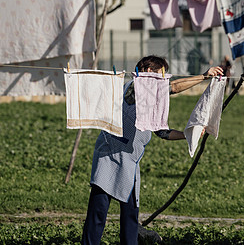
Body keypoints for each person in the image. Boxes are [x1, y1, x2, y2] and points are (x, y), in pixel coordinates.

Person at [82, 55, 223, 245]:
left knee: (130, 214)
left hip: (130, 164)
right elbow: (172, 87)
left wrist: (187, 135)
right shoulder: (132, 88)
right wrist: (204, 76)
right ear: (149, 73)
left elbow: (162, 132)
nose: (164, 80)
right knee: (98, 212)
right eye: (161, 75)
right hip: (109, 156)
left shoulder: (151, 102)